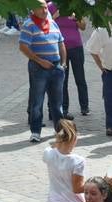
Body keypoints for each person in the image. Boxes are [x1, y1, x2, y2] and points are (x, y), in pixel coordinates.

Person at [19, 4, 66, 144]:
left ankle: (60, 130)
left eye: (46, 8)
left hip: (56, 68)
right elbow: (23, 47)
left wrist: (63, 63)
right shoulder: (29, 25)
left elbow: (61, 43)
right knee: (37, 102)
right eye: (41, 8)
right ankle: (35, 131)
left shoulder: (52, 23)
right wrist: (40, 61)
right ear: (33, 9)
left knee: (57, 103)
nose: (45, 11)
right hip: (38, 68)